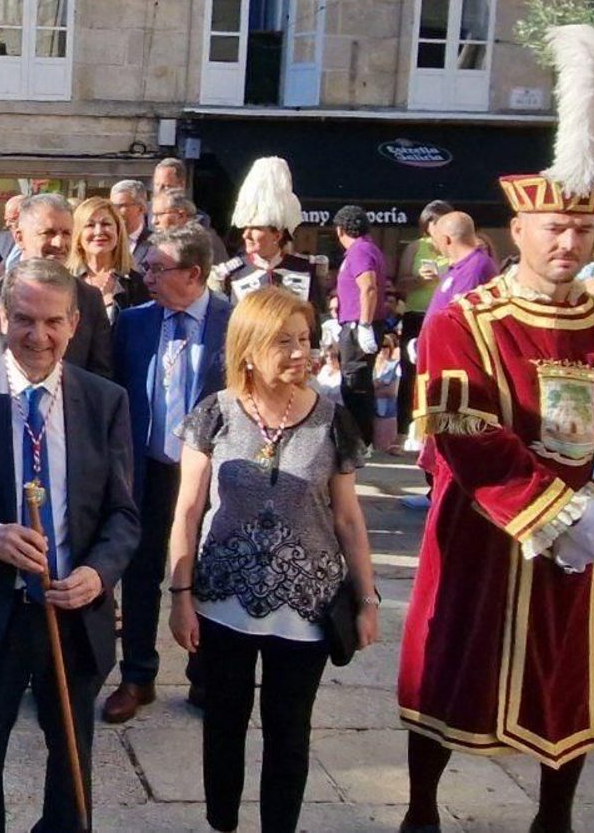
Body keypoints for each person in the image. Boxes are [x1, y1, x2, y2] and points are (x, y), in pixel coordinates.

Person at [400, 26, 594, 833]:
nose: (568, 242)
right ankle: (420, 808)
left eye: (580, 230)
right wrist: (553, 509)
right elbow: (464, 430)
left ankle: (556, 815)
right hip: (488, 529)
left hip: (593, 529)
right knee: (451, 669)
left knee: (570, 680)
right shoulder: (466, 319)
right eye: (554, 229)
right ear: (519, 230)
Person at [0, 257, 139, 833]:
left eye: (52, 322)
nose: (38, 336)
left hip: (73, 611)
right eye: (24, 320)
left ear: (74, 323)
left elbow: (122, 515)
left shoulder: (105, 400)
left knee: (71, 762)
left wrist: (99, 573)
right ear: (1, 317)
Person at [167, 286, 380, 833]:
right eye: (283, 341)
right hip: (222, 603)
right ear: (249, 348)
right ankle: (222, 824)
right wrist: (180, 596)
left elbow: (348, 518)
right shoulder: (214, 414)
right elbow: (187, 510)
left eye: (304, 339)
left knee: (290, 733)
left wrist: (367, 599)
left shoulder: (332, 420)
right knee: (223, 725)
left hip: (306, 609)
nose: (299, 352)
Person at [104, 223, 233, 723]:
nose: (148, 277)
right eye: (147, 267)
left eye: (158, 269)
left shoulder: (232, 321)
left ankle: (205, 675)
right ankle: (138, 675)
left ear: (193, 274)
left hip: (211, 475)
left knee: (206, 572)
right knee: (140, 573)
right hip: (149, 469)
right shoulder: (134, 322)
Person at [0, 193, 114, 377]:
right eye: (48, 233)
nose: (59, 243)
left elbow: (101, 377)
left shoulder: (89, 298)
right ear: (19, 238)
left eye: (66, 233)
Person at [210, 157, 327, 329]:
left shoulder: (305, 268)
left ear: (277, 235)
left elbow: (314, 327)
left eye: (255, 228)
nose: (246, 235)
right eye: (246, 228)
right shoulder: (232, 273)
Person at [330, 205, 389, 451]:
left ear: (340, 230)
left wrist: (364, 324)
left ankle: (360, 441)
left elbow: (368, 287)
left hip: (360, 324)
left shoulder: (360, 250)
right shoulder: (365, 249)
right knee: (354, 381)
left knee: (355, 383)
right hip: (355, 320)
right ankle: (360, 440)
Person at [394, 200, 453, 441]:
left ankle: (437, 431)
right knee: (410, 373)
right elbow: (400, 284)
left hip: (445, 315)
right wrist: (418, 280)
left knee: (443, 372)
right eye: (435, 223)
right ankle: (403, 432)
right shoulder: (416, 247)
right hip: (417, 315)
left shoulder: (453, 248)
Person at [67, 195, 150, 321]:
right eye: (90, 225)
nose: (99, 231)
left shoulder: (136, 284)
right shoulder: (65, 281)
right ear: (78, 234)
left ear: (118, 231)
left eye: (106, 224)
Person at [423, 211, 497, 325]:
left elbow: (459, 319)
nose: (436, 245)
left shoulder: (473, 269)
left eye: (436, 239)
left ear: (446, 239)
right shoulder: (461, 266)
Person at [151, 187, 228, 265]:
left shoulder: (204, 243)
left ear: (181, 215)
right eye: (154, 215)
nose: (154, 221)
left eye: (160, 215)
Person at [110, 179, 154, 268]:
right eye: (112, 206)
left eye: (120, 206)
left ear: (141, 208)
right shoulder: (105, 241)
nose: (114, 211)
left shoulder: (156, 244)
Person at [374, 332, 402, 453]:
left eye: (386, 346)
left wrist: (375, 388)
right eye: (380, 346)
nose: (382, 350)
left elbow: (393, 391)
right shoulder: (370, 366)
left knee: (386, 450)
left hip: (388, 414)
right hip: (372, 414)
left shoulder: (395, 366)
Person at [0, 193, 24, 266]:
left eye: (12, 220)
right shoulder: (4, 238)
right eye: (6, 220)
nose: (7, 224)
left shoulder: (35, 242)